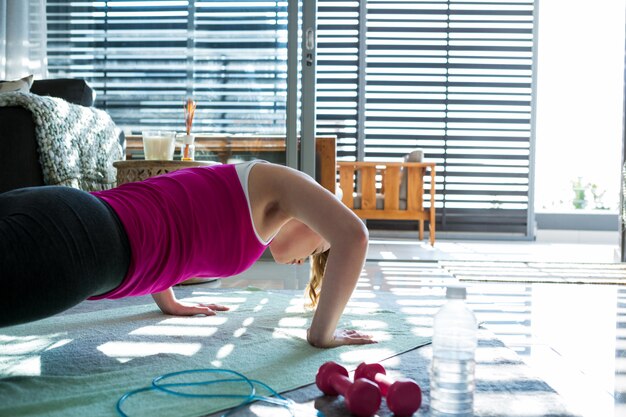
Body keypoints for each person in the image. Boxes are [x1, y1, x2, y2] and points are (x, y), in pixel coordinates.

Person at [0, 160, 374, 348]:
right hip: (79, 241)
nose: (303, 261)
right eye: (319, 250)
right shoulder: (279, 183)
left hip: (65, 215)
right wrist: (323, 335)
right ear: (316, 225)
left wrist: (169, 298)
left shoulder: (250, 197)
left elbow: (171, 213)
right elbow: (354, 237)